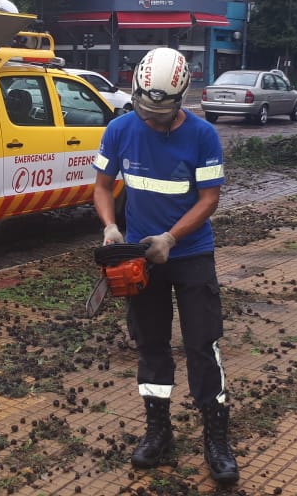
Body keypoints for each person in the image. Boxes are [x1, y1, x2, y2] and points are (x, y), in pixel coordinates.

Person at [92, 47, 238, 486]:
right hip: (141, 257)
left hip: (190, 255)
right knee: (151, 345)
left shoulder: (203, 135)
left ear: (181, 99)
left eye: (160, 113)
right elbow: (101, 187)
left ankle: (217, 439)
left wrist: (172, 238)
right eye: (144, 109)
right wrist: (111, 228)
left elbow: (209, 198)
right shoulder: (119, 129)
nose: (150, 119)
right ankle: (159, 431)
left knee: (202, 344)